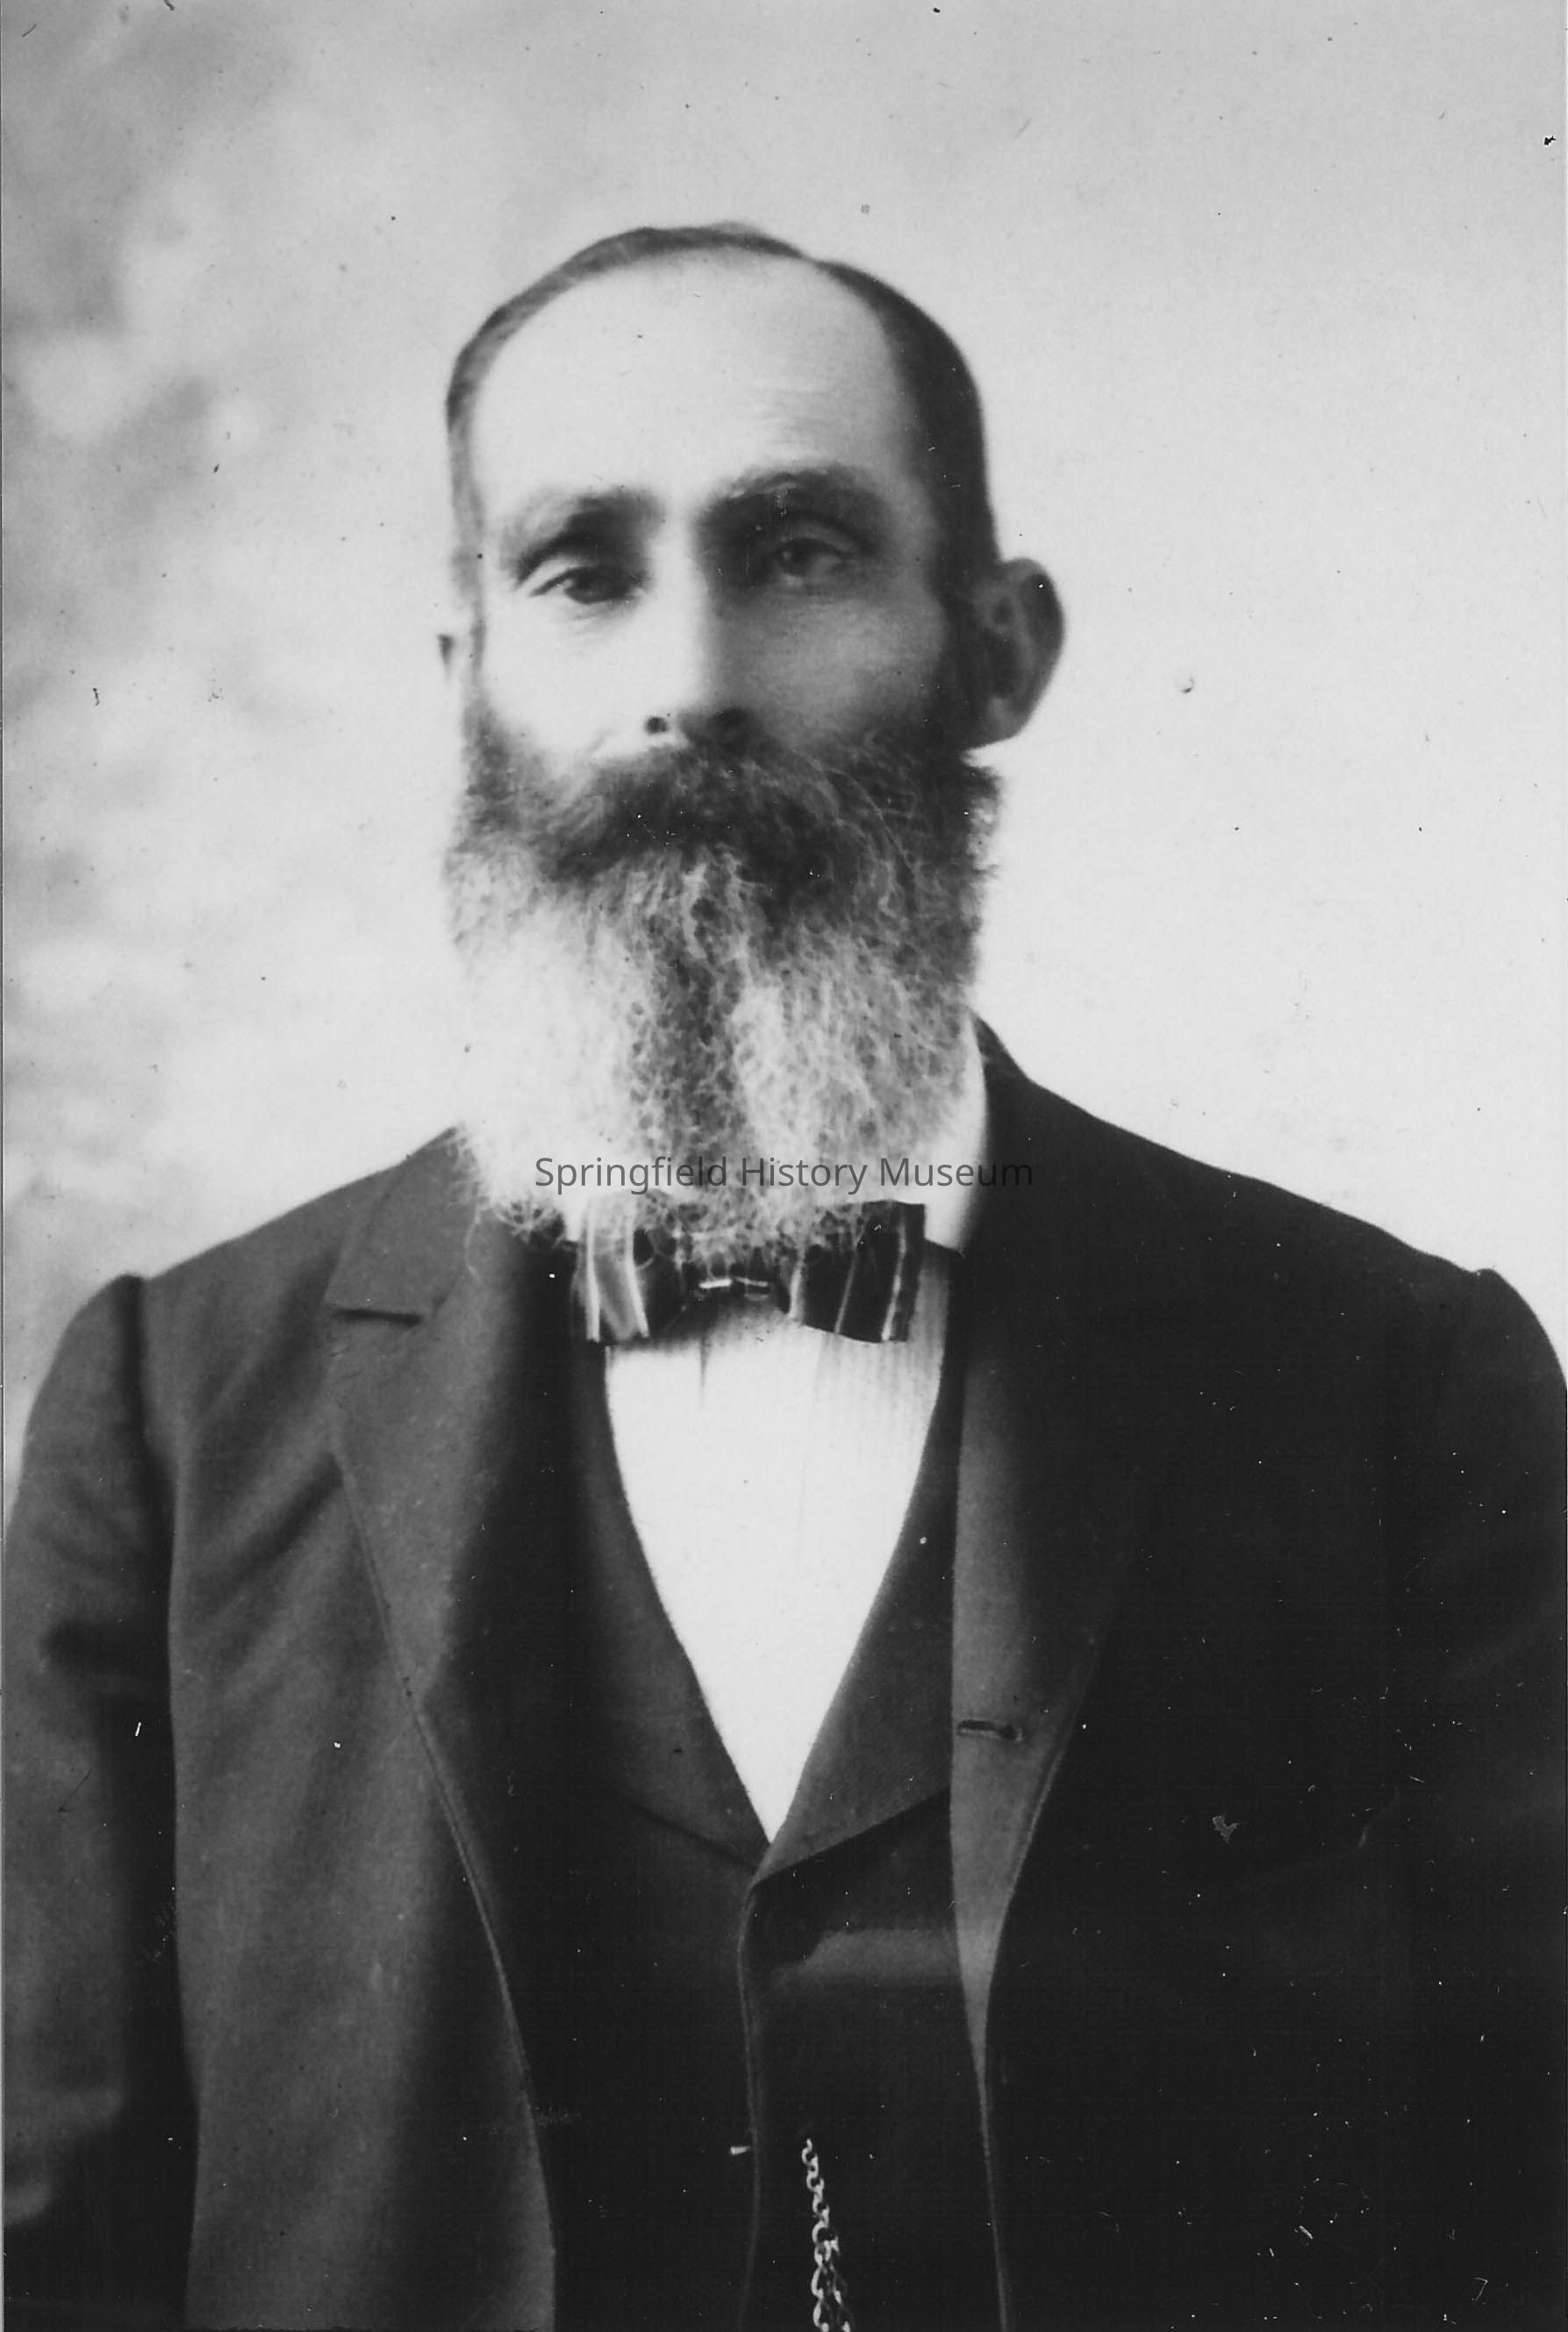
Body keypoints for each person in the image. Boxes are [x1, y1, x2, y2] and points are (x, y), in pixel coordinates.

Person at [4, 223, 1563, 2332]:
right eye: (583, 572)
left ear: (997, 651)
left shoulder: (1396, 1384)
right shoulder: (171, 1416)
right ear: (465, 675)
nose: (693, 685)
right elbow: (53, 2242)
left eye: (801, 552)